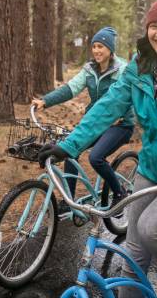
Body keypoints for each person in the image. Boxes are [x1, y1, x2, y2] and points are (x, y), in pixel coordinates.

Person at [39, 0, 157, 298]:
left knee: (154, 229)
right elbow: (108, 106)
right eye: (154, 25)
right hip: (152, 168)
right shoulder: (139, 67)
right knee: (134, 256)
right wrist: (69, 146)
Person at [33, 26, 135, 214]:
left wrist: (122, 116)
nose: (96, 50)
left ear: (110, 49)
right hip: (96, 122)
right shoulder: (89, 69)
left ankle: (120, 194)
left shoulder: (123, 70)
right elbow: (70, 89)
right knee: (70, 151)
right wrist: (45, 101)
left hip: (120, 124)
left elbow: (130, 97)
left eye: (101, 46)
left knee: (96, 157)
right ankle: (69, 201)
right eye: (94, 46)